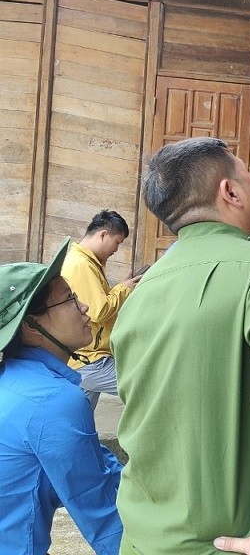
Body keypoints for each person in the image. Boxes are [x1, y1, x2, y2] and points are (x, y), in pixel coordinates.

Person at [110, 137, 250, 555]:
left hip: (141, 537)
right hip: (231, 542)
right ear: (230, 191)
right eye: (247, 170)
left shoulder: (142, 290)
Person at [0, 237, 122, 554]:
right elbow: (105, 519)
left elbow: (93, 464)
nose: (84, 307)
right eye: (69, 299)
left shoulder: (14, 381)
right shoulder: (53, 400)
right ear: (30, 326)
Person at [61, 209, 141, 409]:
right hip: (91, 359)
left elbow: (97, 302)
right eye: (117, 242)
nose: (116, 249)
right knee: (144, 385)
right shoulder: (82, 265)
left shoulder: (89, 262)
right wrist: (123, 289)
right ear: (103, 234)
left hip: (85, 356)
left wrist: (119, 288)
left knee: (79, 415)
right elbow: (98, 311)